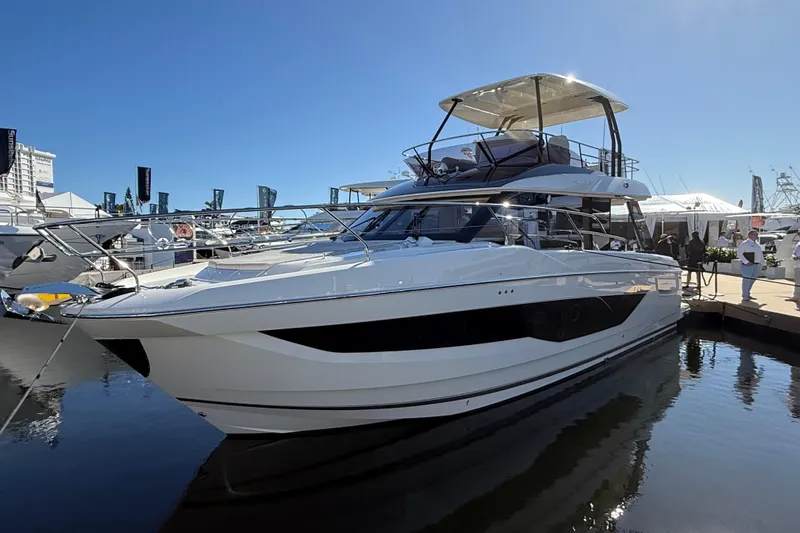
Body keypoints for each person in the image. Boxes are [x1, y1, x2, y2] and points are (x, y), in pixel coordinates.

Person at [737, 229, 765, 301]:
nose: (756, 236)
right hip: (747, 265)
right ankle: (745, 295)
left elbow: (761, 255)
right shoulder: (744, 244)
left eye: (757, 235)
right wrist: (746, 262)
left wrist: (763, 264)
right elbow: (739, 254)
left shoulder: (757, 244)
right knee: (747, 280)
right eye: (755, 234)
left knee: (752, 280)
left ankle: (747, 293)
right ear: (750, 235)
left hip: (756, 264)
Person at [786, 239, 800, 303]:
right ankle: (796, 296)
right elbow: (794, 253)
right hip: (797, 266)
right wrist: (794, 257)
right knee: (797, 282)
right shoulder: (798, 243)